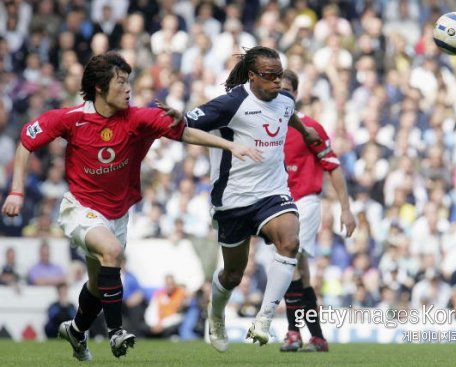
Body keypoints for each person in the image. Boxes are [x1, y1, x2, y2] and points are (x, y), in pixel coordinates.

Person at [1, 51, 261, 361]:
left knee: (99, 284)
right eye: (121, 82)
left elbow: (184, 132)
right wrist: (16, 191)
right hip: (80, 208)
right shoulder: (71, 119)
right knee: (112, 253)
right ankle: (115, 332)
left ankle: (76, 330)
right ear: (99, 87)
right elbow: (26, 143)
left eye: (129, 82)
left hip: (118, 215)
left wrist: (230, 144)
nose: (128, 88)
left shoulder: (139, 118)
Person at [159, 46, 321, 352]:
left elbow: (290, 115)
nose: (277, 82)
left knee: (290, 241)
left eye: (279, 75)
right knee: (233, 274)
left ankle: (264, 319)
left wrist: (307, 131)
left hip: (273, 193)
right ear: (252, 76)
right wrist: (184, 118)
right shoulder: (231, 103)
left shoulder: (284, 98)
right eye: (270, 76)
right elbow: (185, 127)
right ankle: (216, 314)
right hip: (232, 200)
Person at [279, 69, 356, 352]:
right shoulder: (264, 129)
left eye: (288, 88)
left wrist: (346, 209)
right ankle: (318, 337)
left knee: (287, 262)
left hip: (305, 202)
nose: (282, 92)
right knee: (300, 270)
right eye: (278, 87)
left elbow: (333, 167)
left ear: (296, 95)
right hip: (277, 205)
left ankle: (292, 332)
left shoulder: (310, 127)